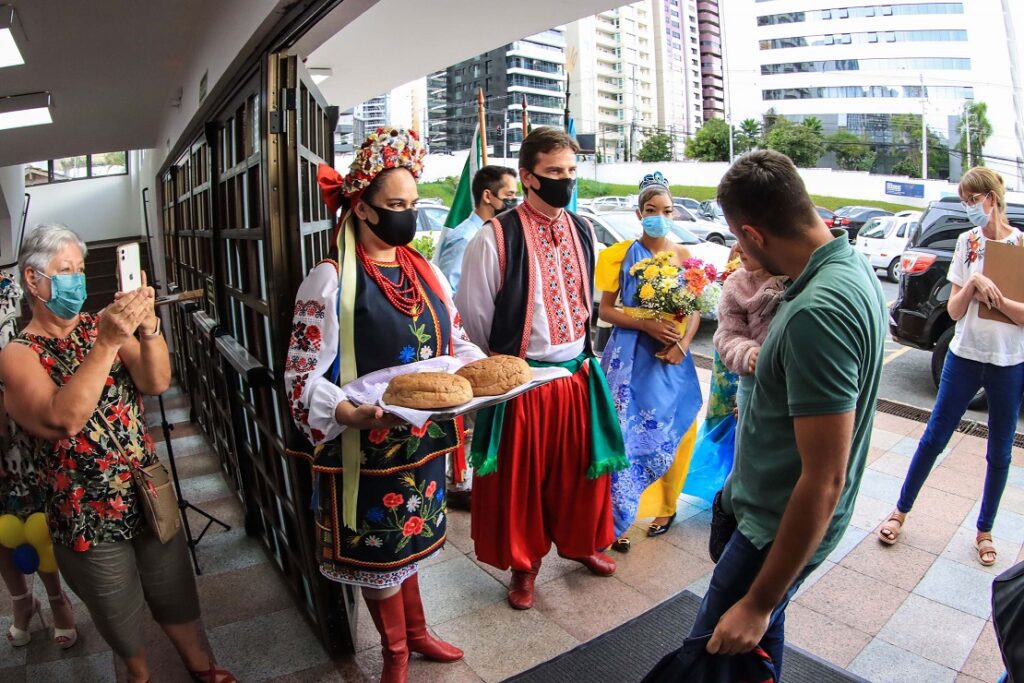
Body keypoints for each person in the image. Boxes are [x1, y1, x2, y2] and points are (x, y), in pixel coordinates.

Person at [649, 150, 885, 681]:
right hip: (767, 513)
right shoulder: (850, 269)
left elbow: (824, 479)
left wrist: (758, 601)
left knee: (714, 655)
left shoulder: (815, 313)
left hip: (774, 531)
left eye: (737, 238)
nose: (737, 250)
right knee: (756, 651)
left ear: (754, 234)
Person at [285, 127, 484, 683]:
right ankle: (395, 653)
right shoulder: (330, 280)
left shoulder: (426, 272)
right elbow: (302, 373)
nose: (408, 217)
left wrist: (484, 373)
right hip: (365, 443)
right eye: (395, 205)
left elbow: (455, 340)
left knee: (412, 535)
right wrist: (344, 411)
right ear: (364, 208)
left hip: (423, 438)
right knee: (381, 553)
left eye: (413, 205)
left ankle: (417, 634)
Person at [0, 224, 233, 683]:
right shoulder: (18, 353)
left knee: (173, 587)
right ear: (33, 280)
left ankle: (198, 663)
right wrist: (107, 342)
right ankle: (138, 672)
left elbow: (155, 382)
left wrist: (147, 333)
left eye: (81, 269)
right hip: (83, 507)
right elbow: (63, 418)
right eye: (65, 270)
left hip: (144, 485)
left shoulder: (98, 326)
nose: (77, 280)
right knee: (114, 603)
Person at [456, 127, 627, 610]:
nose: (565, 181)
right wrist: (511, 366)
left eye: (571, 171)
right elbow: (474, 316)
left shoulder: (584, 229)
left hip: (577, 374)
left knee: (582, 473)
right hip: (525, 382)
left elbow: (585, 300)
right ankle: (524, 567)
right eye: (554, 172)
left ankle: (580, 544)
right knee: (521, 483)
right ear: (528, 176)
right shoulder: (494, 237)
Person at [879, 168, 1024, 566]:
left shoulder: (1021, 246)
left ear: (991, 198)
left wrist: (998, 301)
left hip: (1009, 364)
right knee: (933, 437)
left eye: (972, 199)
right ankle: (900, 511)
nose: (969, 207)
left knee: (1000, 452)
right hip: (964, 357)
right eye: (963, 200)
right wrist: (976, 284)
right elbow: (956, 311)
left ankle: (985, 530)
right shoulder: (967, 243)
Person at [595, 172, 703, 552]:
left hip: (670, 356)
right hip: (629, 355)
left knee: (672, 431)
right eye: (652, 210)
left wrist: (683, 345)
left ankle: (666, 507)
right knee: (624, 434)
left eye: (667, 210)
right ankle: (619, 515)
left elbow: (694, 310)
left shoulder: (685, 255)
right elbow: (607, 311)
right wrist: (647, 323)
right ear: (639, 214)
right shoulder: (619, 256)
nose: (660, 215)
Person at [0, 267, 78, 650]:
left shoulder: (3, 289)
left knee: (30, 522)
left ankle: (56, 600)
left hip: (12, 434)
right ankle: (21, 603)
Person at [713, 243, 786, 415]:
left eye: (744, 238)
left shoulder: (801, 277)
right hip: (754, 386)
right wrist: (746, 353)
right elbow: (727, 333)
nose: (737, 248)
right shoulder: (737, 283)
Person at [434, 165, 518, 291]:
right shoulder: (464, 239)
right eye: (509, 195)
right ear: (487, 196)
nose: (514, 201)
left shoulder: (497, 234)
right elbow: (448, 293)